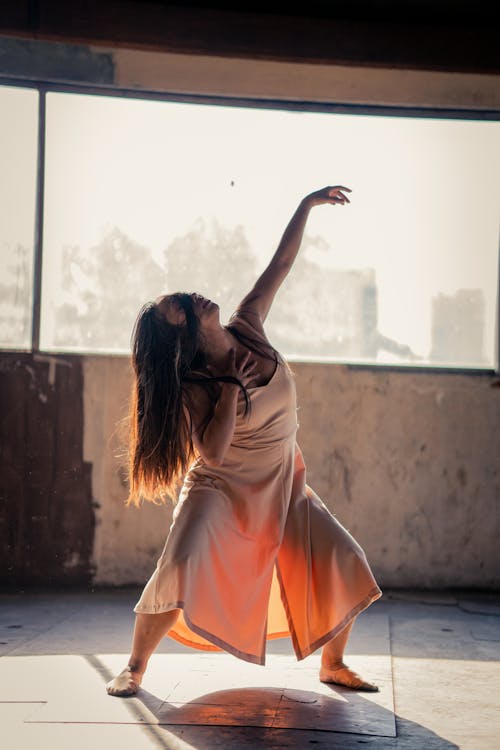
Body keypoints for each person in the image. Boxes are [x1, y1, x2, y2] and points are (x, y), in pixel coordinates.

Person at [106, 185, 382, 698]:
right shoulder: (195, 385)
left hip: (281, 486)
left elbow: (281, 264)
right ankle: (135, 668)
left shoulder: (248, 323)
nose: (196, 297)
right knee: (180, 565)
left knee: (346, 560)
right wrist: (231, 389)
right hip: (220, 487)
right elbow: (211, 452)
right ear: (183, 336)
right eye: (184, 306)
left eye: (186, 295)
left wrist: (305, 204)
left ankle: (334, 664)